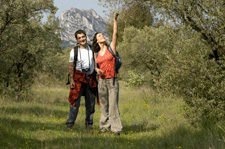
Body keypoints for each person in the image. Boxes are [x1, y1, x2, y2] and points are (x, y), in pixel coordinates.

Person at [92, 12, 122, 135]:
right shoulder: (96, 53)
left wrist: (115, 19)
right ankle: (104, 127)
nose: (102, 36)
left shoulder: (111, 48)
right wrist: (97, 70)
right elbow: (95, 67)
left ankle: (116, 129)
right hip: (102, 81)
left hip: (112, 80)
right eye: (100, 36)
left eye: (103, 35)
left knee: (113, 105)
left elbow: (115, 33)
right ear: (97, 40)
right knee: (103, 105)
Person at [66, 30, 98, 130]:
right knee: (75, 103)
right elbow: (71, 66)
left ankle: (89, 125)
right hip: (78, 79)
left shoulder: (92, 49)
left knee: (91, 104)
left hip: (90, 79)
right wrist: (71, 80)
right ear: (77, 39)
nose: (82, 39)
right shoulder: (74, 51)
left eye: (83, 37)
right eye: (79, 38)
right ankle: (69, 125)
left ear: (86, 37)